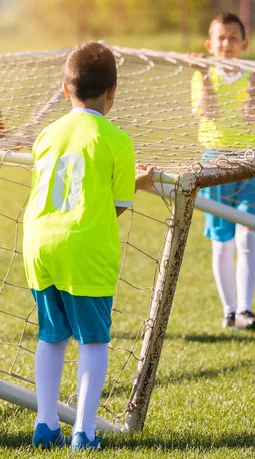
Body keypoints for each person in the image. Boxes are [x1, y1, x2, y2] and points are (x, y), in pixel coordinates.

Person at [24, 41, 154, 450]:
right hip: (84, 248)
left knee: (51, 335)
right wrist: (140, 182)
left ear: (66, 89)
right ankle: (84, 431)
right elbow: (112, 206)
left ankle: (45, 425)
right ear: (113, 90)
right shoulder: (116, 140)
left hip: (38, 242)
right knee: (94, 340)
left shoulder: (46, 133)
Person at [190, 12, 255, 331]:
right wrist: (205, 75)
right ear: (210, 44)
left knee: (246, 235)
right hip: (216, 162)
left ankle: (246, 310)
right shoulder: (201, 76)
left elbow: (253, 116)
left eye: (234, 38)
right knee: (222, 241)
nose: (227, 44)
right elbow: (210, 111)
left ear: (244, 43)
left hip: (252, 161)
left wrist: (253, 81)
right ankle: (229, 309)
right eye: (221, 38)